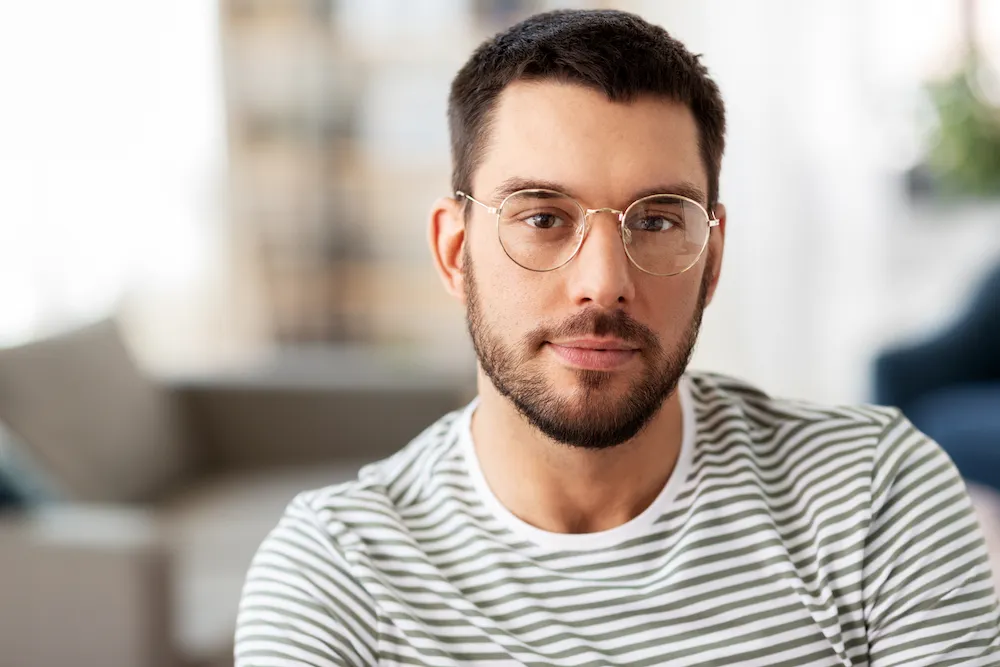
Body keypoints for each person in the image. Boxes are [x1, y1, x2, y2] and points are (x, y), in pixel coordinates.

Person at [235, 9, 1000, 666]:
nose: (603, 281)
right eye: (542, 217)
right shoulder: (335, 574)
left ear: (712, 257)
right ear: (451, 250)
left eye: (659, 219)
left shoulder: (878, 496)